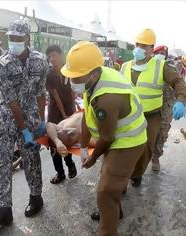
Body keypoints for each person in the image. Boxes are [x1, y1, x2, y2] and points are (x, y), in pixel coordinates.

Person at [61, 41, 147, 236]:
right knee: (109, 178)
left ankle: (107, 230)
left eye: (76, 76)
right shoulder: (93, 82)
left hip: (129, 142)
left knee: (105, 190)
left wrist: (91, 158)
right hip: (117, 137)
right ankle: (115, 210)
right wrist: (83, 147)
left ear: (92, 74)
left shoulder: (107, 97)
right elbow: (86, 116)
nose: (72, 81)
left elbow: (107, 138)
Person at [0, 19, 48, 228]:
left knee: (31, 157)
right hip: (6, 116)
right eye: (10, 37)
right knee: (2, 161)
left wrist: (39, 122)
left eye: (17, 38)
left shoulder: (40, 61)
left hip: (30, 115)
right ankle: (4, 209)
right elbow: (10, 99)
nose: (13, 41)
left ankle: (36, 197)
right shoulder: (0, 64)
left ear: (27, 38)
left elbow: (40, 92)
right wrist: (23, 129)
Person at [120, 29, 186, 187]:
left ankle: (137, 174)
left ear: (151, 48)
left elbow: (178, 82)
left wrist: (181, 100)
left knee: (147, 147)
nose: (139, 49)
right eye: (137, 45)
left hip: (151, 116)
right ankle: (122, 177)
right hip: (128, 116)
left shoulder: (161, 66)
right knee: (125, 146)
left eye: (144, 46)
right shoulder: (124, 66)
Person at [45, 45, 77, 184]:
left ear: (61, 54)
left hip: (69, 110)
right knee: (53, 143)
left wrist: (72, 108)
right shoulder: (50, 74)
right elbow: (55, 95)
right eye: (49, 56)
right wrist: (63, 114)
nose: (52, 59)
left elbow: (73, 90)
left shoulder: (68, 70)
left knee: (67, 139)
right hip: (55, 112)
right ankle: (60, 173)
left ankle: (70, 164)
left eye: (54, 55)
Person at [151, 45, 176, 171]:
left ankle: (156, 157)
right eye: (158, 52)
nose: (161, 55)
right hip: (150, 106)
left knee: (162, 132)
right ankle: (142, 157)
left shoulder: (170, 69)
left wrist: (181, 101)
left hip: (166, 105)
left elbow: (178, 84)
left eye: (163, 53)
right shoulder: (148, 69)